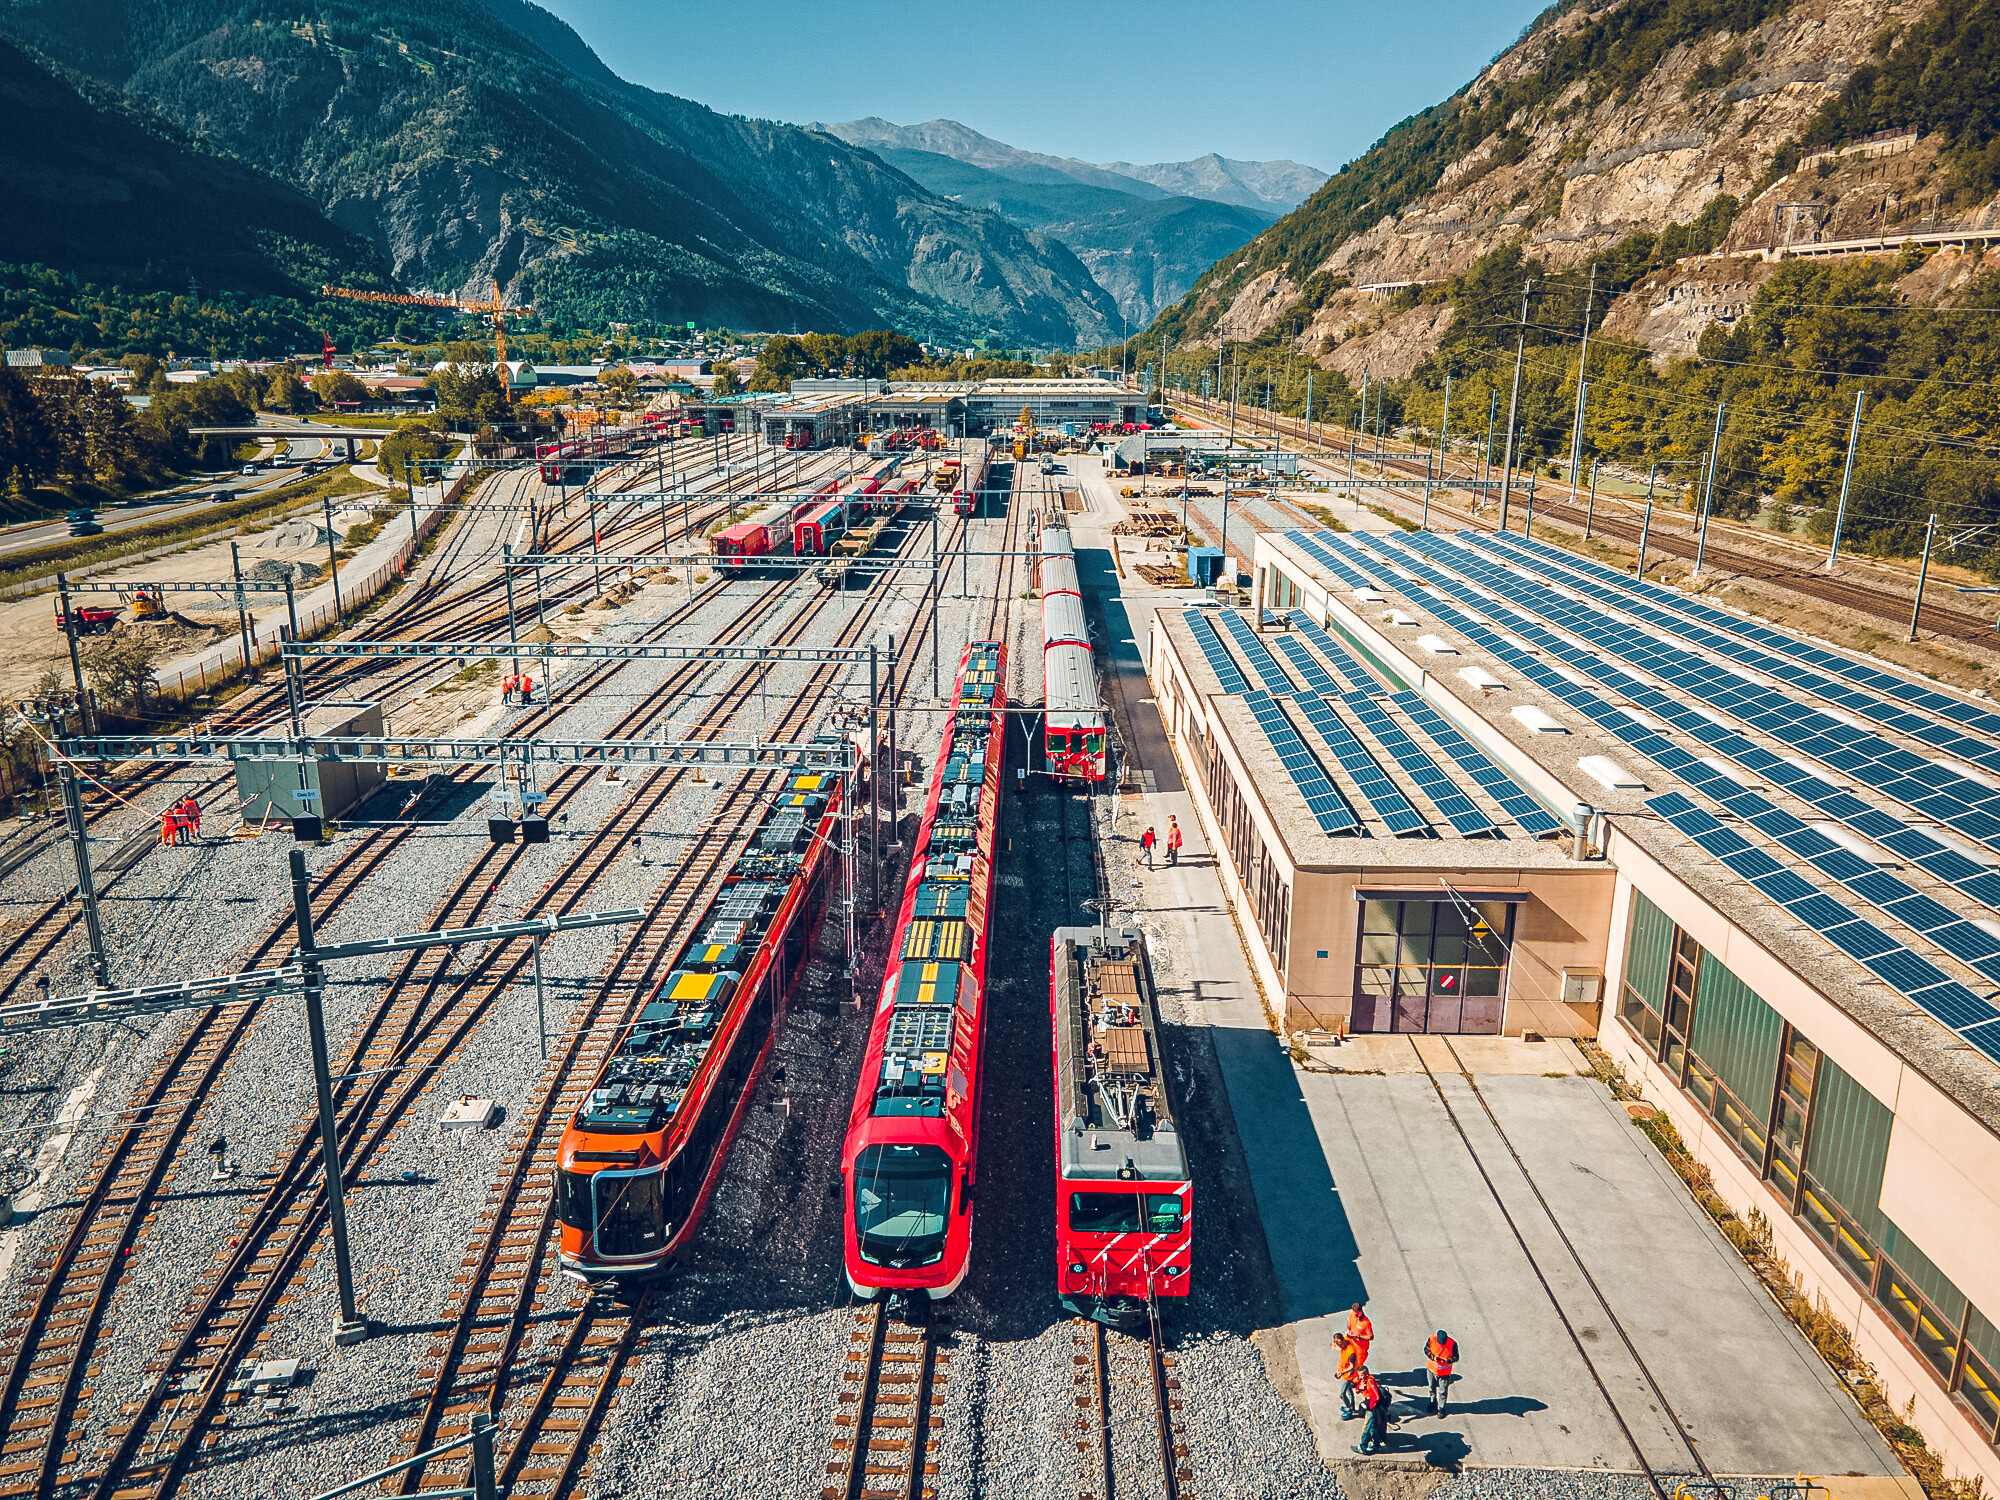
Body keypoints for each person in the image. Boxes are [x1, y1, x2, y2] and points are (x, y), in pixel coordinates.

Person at [1353, 1369, 1392, 1455]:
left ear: (1366, 1374)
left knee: (1366, 1427)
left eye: (1361, 1375)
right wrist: (1359, 1388)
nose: (1360, 1377)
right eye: (1359, 1375)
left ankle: (1362, 1447)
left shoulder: (1370, 1382)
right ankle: (1376, 1445)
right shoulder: (1364, 1381)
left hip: (1372, 1409)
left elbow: (1376, 1397)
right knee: (1373, 1427)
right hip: (1372, 1408)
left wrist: (1369, 1407)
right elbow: (1357, 1389)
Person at [1425, 1329, 1459, 1416]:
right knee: (1431, 1388)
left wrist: (1447, 1360)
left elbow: (1456, 1357)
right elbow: (1426, 1350)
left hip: (1445, 1373)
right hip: (1431, 1370)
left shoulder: (1452, 1344)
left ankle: (1441, 1408)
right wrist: (1433, 1357)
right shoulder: (1432, 1339)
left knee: (1443, 1391)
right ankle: (1432, 1403)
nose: (1442, 1344)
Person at [1334, 1332, 1365, 1419]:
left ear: (1343, 1340)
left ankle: (1349, 1409)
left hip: (1347, 1376)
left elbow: (1352, 1366)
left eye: (1340, 1343)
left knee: (1342, 1394)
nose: (1340, 1345)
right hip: (1344, 1373)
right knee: (1349, 1391)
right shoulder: (1345, 1341)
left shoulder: (1351, 1353)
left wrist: (1343, 1372)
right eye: (1338, 1344)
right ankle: (1352, 1408)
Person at [1346, 1302, 1373, 1367]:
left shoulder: (1366, 1323)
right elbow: (1349, 1321)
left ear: (1361, 1311)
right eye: (1355, 1314)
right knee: (1347, 1359)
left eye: (1357, 1314)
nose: (1355, 1316)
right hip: (1351, 1341)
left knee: (1358, 1364)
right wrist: (1348, 1329)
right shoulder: (1351, 1312)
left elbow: (1371, 1337)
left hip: (1360, 1347)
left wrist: (1358, 1336)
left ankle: (1358, 1375)